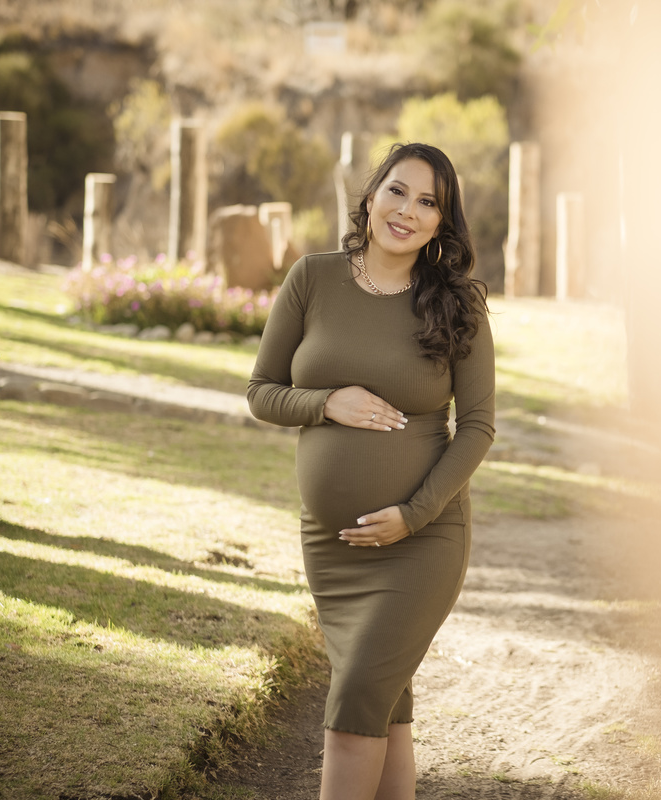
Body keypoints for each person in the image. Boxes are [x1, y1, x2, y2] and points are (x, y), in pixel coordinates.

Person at [247, 142, 494, 800]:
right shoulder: (313, 278)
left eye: (427, 202)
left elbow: (477, 427)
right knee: (388, 708)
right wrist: (327, 402)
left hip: (423, 539)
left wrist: (412, 516)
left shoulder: (458, 303)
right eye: (397, 191)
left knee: (357, 698)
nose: (407, 211)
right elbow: (262, 391)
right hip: (332, 547)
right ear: (370, 195)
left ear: (443, 224)